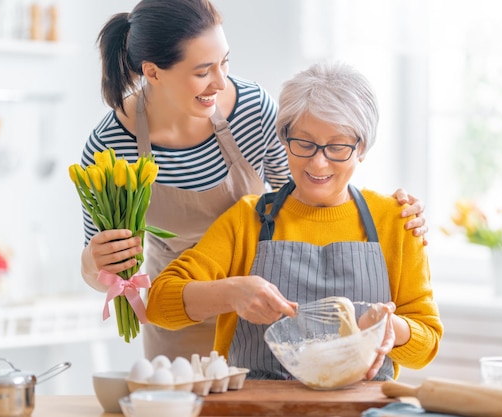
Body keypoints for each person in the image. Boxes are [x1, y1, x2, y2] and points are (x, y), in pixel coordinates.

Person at [79, 0, 429, 361]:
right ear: (152, 72)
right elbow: (105, 274)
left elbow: (303, 191)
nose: (220, 81)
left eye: (225, 61)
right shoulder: (110, 147)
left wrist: (384, 213)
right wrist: (96, 260)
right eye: (203, 71)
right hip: (178, 312)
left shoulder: (252, 110)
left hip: (262, 308)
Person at [146, 61, 442, 381]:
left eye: (337, 147)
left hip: (362, 408)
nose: (318, 162)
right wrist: (230, 293)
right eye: (304, 143)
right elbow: (159, 303)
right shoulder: (249, 219)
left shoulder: (396, 222)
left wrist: (390, 329)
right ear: (284, 139)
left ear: (362, 148)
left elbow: (426, 345)